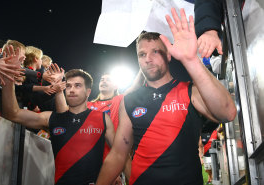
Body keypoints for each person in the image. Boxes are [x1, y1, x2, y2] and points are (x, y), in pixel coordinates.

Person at [96, 8, 236, 185]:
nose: (148, 58)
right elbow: (118, 154)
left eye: (155, 51)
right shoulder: (129, 100)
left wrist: (191, 60)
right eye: (142, 54)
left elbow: (228, 113)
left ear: (169, 54)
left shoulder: (189, 91)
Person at [2, 49, 116, 185]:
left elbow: (120, 153)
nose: (72, 89)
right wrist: (8, 74)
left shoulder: (102, 119)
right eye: (68, 86)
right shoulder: (53, 119)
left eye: (78, 86)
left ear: (88, 92)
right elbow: (12, 114)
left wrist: (112, 176)